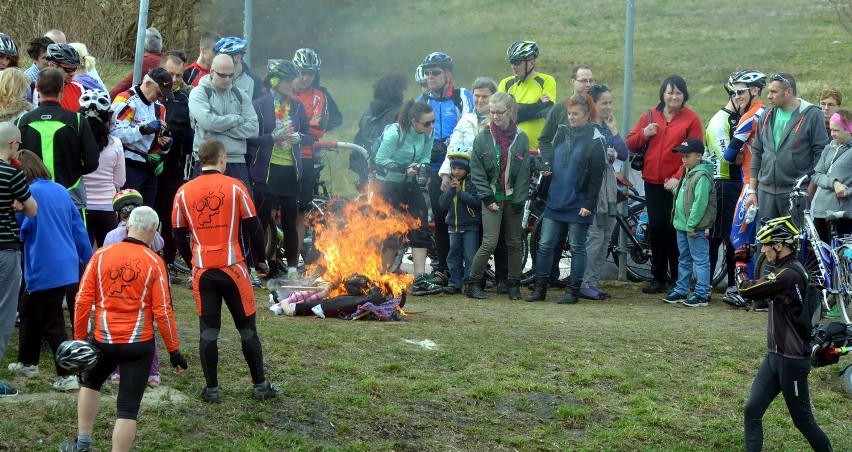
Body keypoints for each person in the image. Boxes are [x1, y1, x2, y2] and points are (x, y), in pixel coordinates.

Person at [61, 206, 187, 452]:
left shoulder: (100, 255)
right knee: (128, 408)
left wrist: (79, 342)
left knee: (91, 384)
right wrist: (174, 351)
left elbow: (82, 300)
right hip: (139, 346)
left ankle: (83, 443)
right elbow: (163, 310)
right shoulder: (155, 262)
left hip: (102, 341)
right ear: (154, 230)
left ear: (128, 225)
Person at [172, 139, 280, 403]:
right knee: (248, 331)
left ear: (200, 160)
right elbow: (254, 227)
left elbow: (177, 234)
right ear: (223, 159)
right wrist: (260, 262)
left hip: (203, 272)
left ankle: (212, 390)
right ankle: (260, 386)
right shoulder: (235, 187)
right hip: (233, 270)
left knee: (208, 332)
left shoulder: (183, 192)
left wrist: (191, 262)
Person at [737, 217, 833, 452]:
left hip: (792, 360)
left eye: (766, 244)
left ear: (779, 246)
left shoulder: (788, 275)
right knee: (752, 410)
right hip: (775, 356)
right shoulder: (785, 270)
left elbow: (747, 289)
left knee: (803, 421)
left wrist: (740, 265)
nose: (764, 250)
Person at [8, 149, 92, 391]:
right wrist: (88, 259)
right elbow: (78, 228)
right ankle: (28, 361)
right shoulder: (60, 190)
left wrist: (14, 212)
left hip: (43, 265)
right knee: (28, 309)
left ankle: (69, 375)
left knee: (53, 322)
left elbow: (22, 228)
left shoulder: (28, 194)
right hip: (66, 265)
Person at [626, 75, 703, 294]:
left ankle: (680, 278)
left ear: (684, 95)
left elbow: (696, 152)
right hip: (652, 182)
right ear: (662, 94)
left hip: (679, 183)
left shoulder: (691, 119)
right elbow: (631, 143)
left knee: (676, 230)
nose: (674, 97)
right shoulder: (650, 115)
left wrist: (678, 176)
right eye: (670, 92)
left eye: (678, 93)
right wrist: (644, 133)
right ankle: (658, 277)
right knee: (658, 229)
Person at [526, 93, 604, 304]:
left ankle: (573, 291)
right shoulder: (561, 133)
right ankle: (540, 288)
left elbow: (597, 177)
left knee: (577, 246)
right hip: (556, 198)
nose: (571, 117)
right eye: (569, 113)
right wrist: (547, 165)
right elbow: (550, 153)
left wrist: (589, 203)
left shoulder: (596, 140)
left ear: (588, 114)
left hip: (579, 202)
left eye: (576, 113)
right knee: (545, 243)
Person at [246, 59, 313, 280]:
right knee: (261, 221)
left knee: (290, 222)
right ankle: (257, 265)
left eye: (291, 80)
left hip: (290, 172)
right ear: (274, 81)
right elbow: (250, 139)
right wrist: (271, 137)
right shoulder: (259, 105)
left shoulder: (297, 106)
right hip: (266, 172)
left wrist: (299, 137)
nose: (290, 84)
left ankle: (293, 268)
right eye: (285, 80)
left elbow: (309, 135)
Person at [535, 64, 597, 289]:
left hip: (583, 186)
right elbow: (544, 138)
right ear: (572, 82)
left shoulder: (596, 107)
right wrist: (551, 162)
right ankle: (545, 279)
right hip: (559, 183)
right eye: (583, 80)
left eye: (591, 80)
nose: (588, 85)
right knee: (549, 239)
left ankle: (577, 286)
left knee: (577, 242)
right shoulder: (561, 108)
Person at [373, 100, 443, 296]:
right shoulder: (395, 133)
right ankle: (383, 276)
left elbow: (426, 157)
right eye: (427, 123)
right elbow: (380, 160)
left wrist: (422, 168)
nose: (431, 127)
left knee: (421, 228)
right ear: (414, 123)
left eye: (433, 122)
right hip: (389, 186)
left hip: (411, 186)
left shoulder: (428, 134)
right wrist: (405, 169)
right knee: (392, 232)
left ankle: (420, 278)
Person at [467, 91, 531, 300]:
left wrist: (519, 201)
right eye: (492, 112)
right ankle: (473, 283)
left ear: (510, 112)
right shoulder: (483, 137)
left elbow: (523, 173)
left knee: (514, 242)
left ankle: (514, 284)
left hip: (513, 198)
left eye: (500, 112)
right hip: (492, 198)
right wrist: (487, 198)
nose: (495, 116)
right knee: (490, 242)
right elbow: (477, 171)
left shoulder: (521, 138)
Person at [418, 51, 474, 287]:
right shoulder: (423, 100)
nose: (430, 77)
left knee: (467, 218)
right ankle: (443, 269)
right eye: (427, 73)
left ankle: (472, 269)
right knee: (441, 218)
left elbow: (472, 125)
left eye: (435, 72)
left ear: (448, 73)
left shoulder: (462, 96)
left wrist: (447, 145)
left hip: (460, 166)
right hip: (434, 168)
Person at [745, 73, 830, 220]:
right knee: (766, 242)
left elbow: (821, 155)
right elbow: (757, 152)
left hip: (796, 193)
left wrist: (809, 191)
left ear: (788, 92)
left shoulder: (812, 114)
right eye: (769, 92)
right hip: (766, 193)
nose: (769, 96)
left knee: (795, 242)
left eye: (774, 92)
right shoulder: (766, 115)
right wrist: (752, 190)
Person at [17, 67, 100, 211]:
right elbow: (92, 161)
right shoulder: (77, 120)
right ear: (63, 88)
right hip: (70, 191)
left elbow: (14, 159)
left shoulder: (22, 121)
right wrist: (72, 170)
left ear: (37, 88)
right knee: (73, 232)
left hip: (31, 195)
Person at [579, 83, 629, 300]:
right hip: (593, 186)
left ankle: (593, 280)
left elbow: (624, 153)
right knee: (595, 236)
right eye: (604, 103)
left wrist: (614, 129)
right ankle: (582, 282)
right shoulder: (586, 128)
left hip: (609, 186)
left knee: (607, 234)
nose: (609, 106)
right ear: (593, 104)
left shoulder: (607, 128)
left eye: (610, 102)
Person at [291, 48, 342, 258]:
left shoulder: (319, 95)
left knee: (301, 209)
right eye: (302, 72)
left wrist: (295, 127)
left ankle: (294, 260)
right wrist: (304, 126)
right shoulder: (282, 90)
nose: (305, 78)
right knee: (275, 208)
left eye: (310, 73)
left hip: (306, 156)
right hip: (278, 157)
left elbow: (319, 128)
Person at [0, 122, 37, 397]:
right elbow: (32, 209)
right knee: (3, 313)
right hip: (5, 249)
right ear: (14, 145)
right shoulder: (13, 172)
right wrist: (20, 202)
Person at [188, 53, 259, 189]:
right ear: (212, 72)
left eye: (230, 75)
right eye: (222, 75)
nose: (227, 79)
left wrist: (218, 127)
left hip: (237, 160)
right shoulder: (198, 93)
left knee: (242, 207)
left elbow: (254, 129)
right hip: (208, 161)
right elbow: (208, 122)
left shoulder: (240, 94)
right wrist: (236, 119)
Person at [661, 138, 716, 307]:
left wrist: (692, 225)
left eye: (687, 156)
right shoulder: (689, 173)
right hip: (683, 226)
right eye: (682, 156)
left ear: (699, 156)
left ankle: (702, 293)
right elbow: (686, 197)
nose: (684, 159)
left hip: (692, 227)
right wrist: (674, 189)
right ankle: (682, 289)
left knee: (700, 259)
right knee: (684, 258)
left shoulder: (701, 176)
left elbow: (700, 204)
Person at [155, 51, 194, 281]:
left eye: (179, 75)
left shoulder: (185, 100)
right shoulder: (149, 94)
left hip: (174, 167)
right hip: (149, 166)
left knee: (171, 217)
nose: (175, 80)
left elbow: (191, 135)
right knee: (149, 212)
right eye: (171, 74)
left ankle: (168, 262)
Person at [110, 67, 173, 206]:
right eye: (159, 93)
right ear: (148, 84)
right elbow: (114, 134)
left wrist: (164, 145)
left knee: (147, 212)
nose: (160, 98)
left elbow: (157, 140)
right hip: (129, 165)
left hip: (150, 167)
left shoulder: (160, 107)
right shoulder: (126, 99)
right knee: (129, 212)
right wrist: (143, 129)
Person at [79, 89, 125, 248]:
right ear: (107, 117)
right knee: (107, 255)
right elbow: (120, 180)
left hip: (80, 206)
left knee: (81, 258)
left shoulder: (73, 142)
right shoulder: (116, 143)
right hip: (107, 207)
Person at [351, 72, 407, 190]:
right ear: (397, 92)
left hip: (364, 165)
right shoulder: (398, 114)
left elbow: (358, 138)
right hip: (387, 172)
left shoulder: (368, 111)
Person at [498, 41, 556, 150]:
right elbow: (502, 116)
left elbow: (547, 110)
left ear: (531, 63)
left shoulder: (547, 80)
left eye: (517, 62)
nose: (513, 66)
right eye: (511, 62)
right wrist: (538, 105)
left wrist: (516, 110)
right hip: (509, 149)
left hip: (536, 150)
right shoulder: (505, 83)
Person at [438, 153, 480, 294]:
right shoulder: (450, 184)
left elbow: (476, 202)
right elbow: (442, 204)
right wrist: (451, 190)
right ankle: (454, 283)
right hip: (453, 227)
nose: (456, 171)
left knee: (470, 256)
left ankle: (470, 283)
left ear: (466, 170)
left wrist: (460, 192)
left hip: (470, 226)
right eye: (454, 168)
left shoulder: (472, 183)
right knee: (453, 255)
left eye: (460, 169)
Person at [811, 108, 852, 242]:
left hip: (843, 215)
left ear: (848, 130)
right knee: (820, 258)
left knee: (842, 257)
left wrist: (847, 192)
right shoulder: (829, 148)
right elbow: (817, 175)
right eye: (831, 129)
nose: (832, 134)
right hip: (820, 212)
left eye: (836, 130)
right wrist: (834, 184)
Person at [109, 27, 163, 99]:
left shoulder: (146, 62)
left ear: (142, 46)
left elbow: (125, 85)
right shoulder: (166, 60)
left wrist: (108, 98)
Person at [34, 43, 85, 113]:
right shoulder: (41, 89)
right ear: (52, 66)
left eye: (74, 69)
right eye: (68, 70)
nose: (72, 73)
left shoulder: (78, 87)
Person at [213, 36, 263, 101]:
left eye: (224, 57)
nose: (220, 61)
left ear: (238, 57)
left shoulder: (254, 81)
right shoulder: (214, 78)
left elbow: (259, 108)